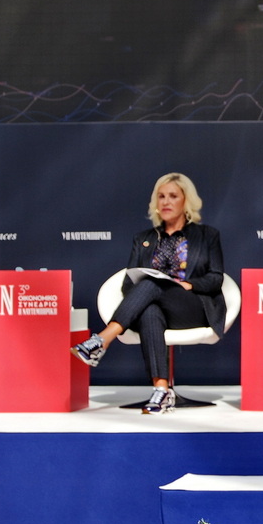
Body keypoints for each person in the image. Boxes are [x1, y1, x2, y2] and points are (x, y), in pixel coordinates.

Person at [70, 173, 226, 415]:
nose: (166, 202)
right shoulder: (143, 239)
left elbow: (216, 278)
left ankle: (101, 340)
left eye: (173, 196)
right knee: (150, 309)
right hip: (154, 307)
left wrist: (189, 285)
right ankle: (161, 392)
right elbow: (128, 283)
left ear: (186, 201)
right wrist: (148, 289)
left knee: (152, 283)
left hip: (191, 307)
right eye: (161, 196)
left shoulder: (207, 236)